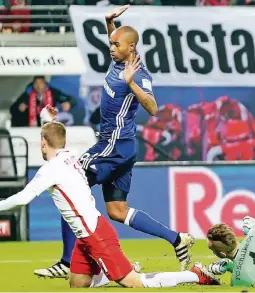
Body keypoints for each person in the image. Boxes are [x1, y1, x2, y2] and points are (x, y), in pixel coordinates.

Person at [0, 113, 220, 288]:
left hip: (95, 234)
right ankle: (113, 268)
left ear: (43, 144)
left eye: (41, 143)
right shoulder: (69, 154)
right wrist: (50, 119)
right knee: (78, 283)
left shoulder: (51, 169)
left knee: (134, 283)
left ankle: (195, 275)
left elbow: (23, 198)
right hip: (87, 234)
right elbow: (57, 134)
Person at [35, 5, 194, 279]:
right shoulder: (119, 60)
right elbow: (118, 40)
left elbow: (153, 108)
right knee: (117, 211)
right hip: (122, 148)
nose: (110, 46)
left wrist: (131, 83)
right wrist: (110, 22)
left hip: (114, 145)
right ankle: (177, 239)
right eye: (110, 42)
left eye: (115, 44)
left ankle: (66, 262)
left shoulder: (138, 74)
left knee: (67, 184)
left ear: (130, 48)